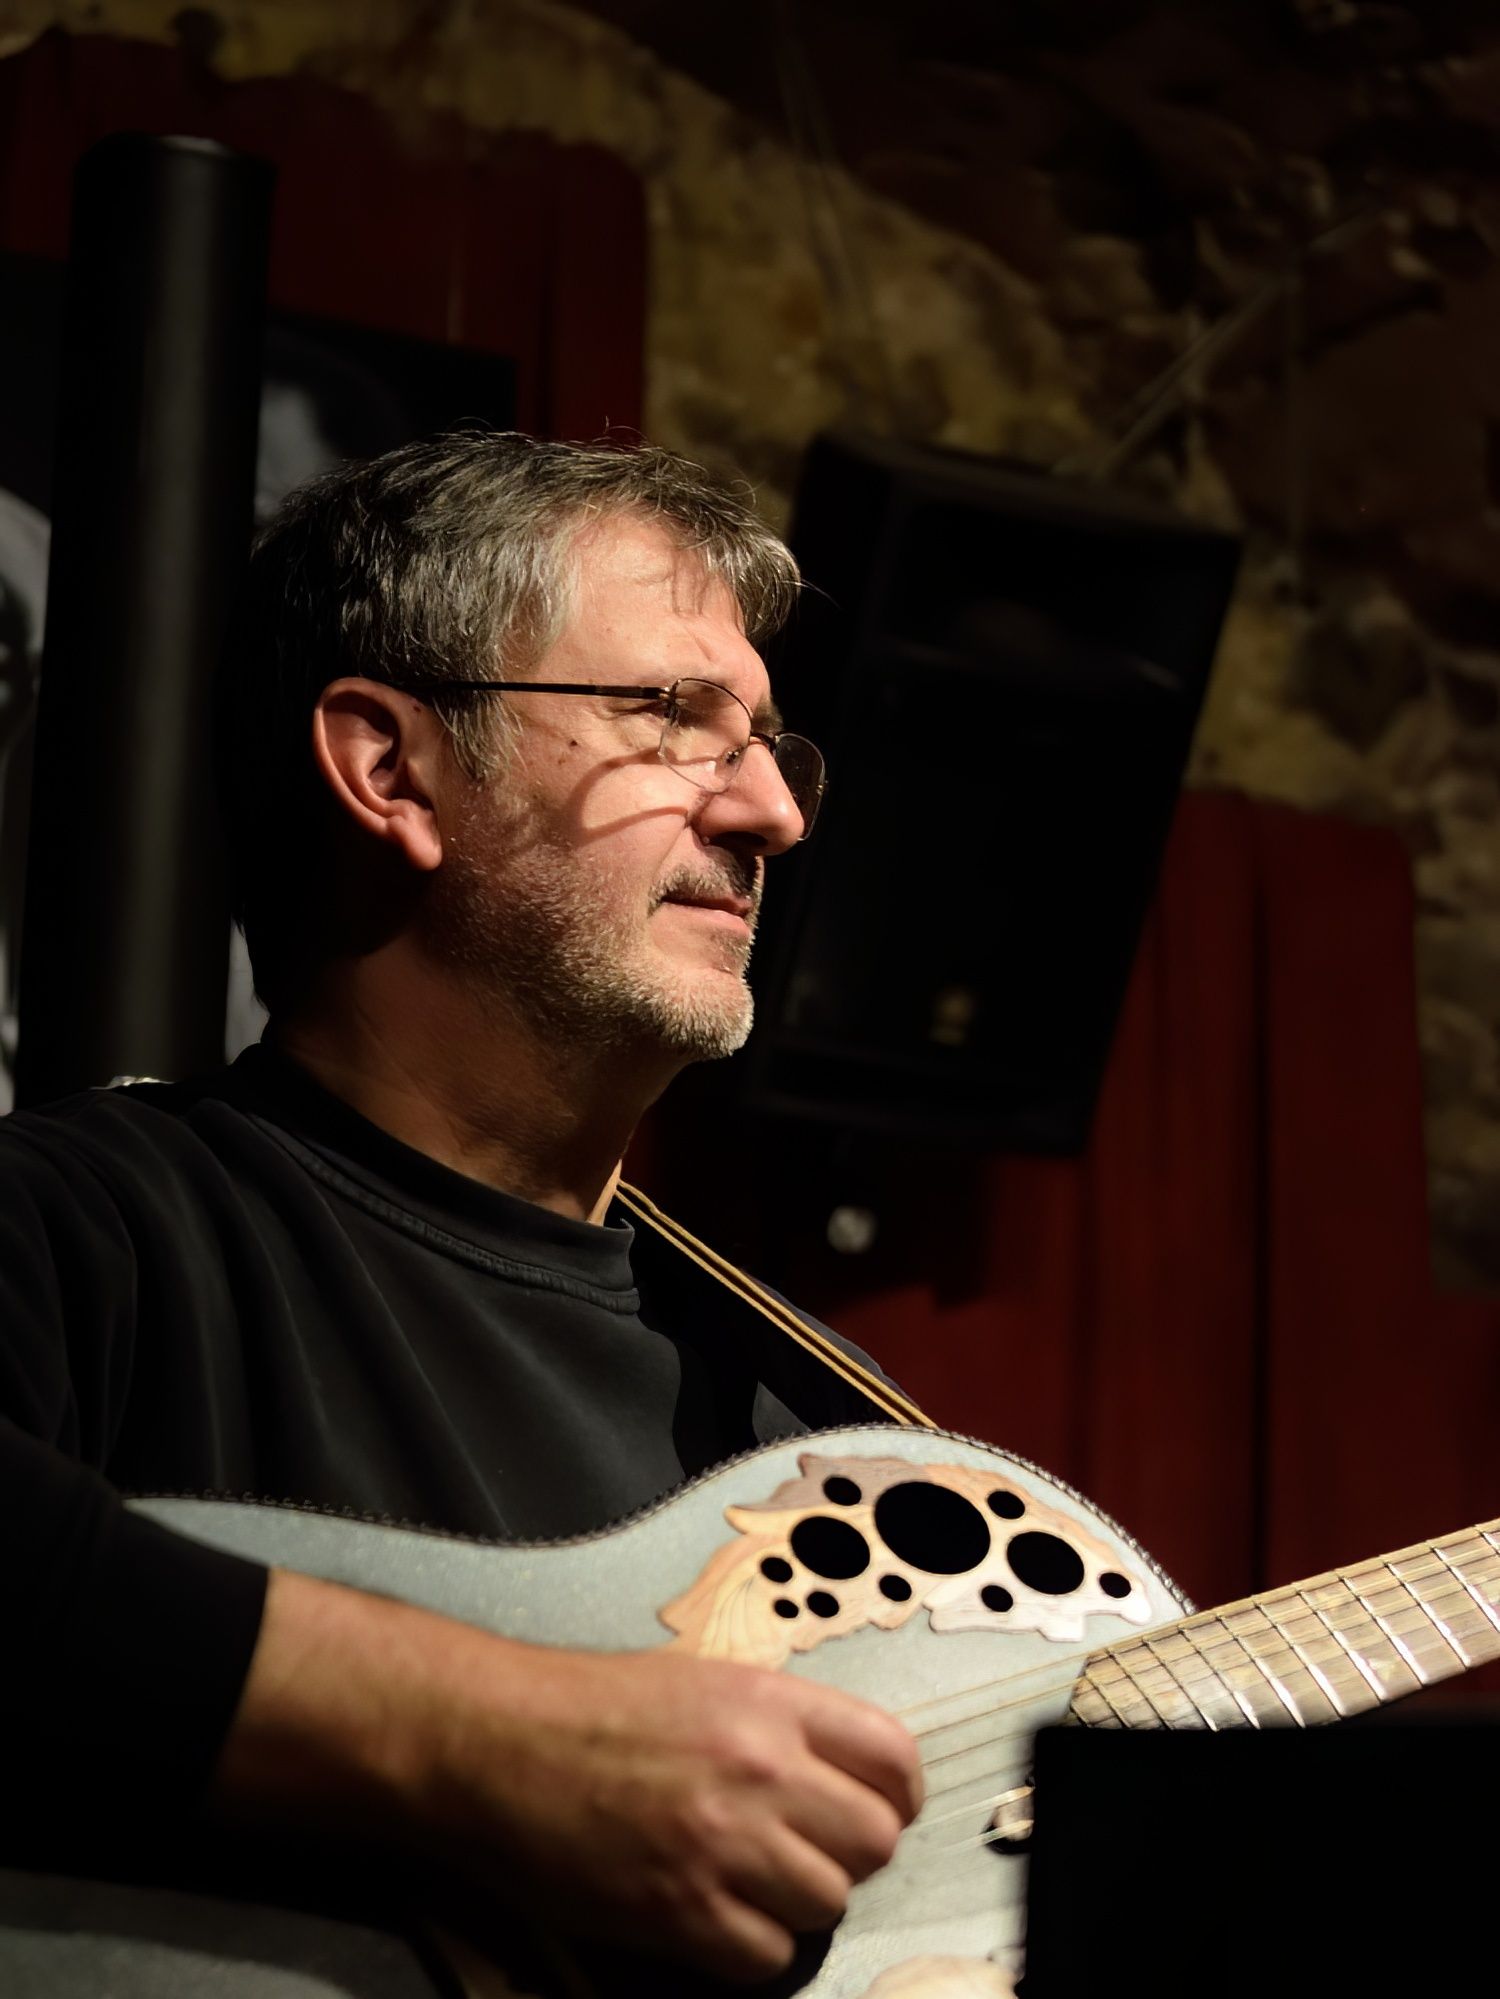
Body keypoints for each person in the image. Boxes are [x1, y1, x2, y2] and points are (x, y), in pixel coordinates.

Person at [0, 432, 927, 1989]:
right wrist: (498, 1742)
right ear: (390, 770)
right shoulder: (92, 1232)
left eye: (770, 743)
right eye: (672, 717)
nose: (774, 812)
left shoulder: (816, 1425)